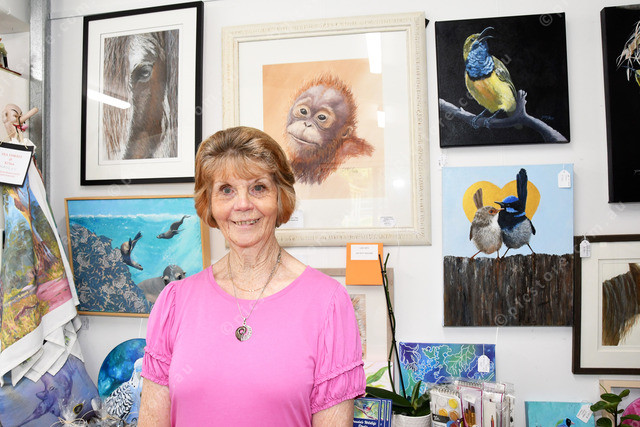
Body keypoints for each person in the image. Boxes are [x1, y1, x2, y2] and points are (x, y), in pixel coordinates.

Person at [139, 126, 365, 426]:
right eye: (226, 190)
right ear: (209, 204)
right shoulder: (174, 302)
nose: (243, 204)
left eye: (258, 188)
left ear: (280, 198)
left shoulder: (328, 303)